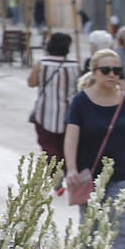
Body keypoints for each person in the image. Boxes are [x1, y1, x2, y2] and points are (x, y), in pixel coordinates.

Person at [63, 49, 125, 249]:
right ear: (94, 72)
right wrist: (72, 168)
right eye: (106, 70)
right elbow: (71, 136)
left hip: (120, 176)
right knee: (90, 230)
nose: (112, 75)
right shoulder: (81, 102)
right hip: (90, 177)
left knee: (121, 229)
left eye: (116, 70)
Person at [27, 32, 80, 162]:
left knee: (48, 146)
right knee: (65, 147)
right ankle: (62, 170)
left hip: (44, 113)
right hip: (68, 114)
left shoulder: (42, 63)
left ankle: (55, 173)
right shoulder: (75, 65)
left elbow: (31, 83)